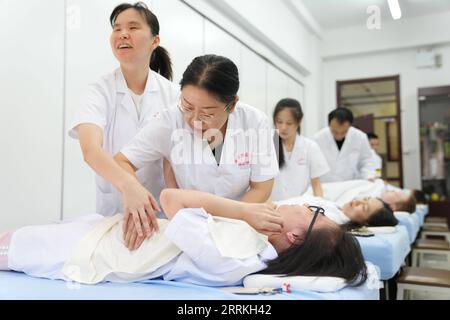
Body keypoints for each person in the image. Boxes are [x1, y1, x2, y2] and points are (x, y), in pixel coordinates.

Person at [0, 189, 367, 288]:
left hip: (102, 253)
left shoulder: (237, 258)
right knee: (15, 236)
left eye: (313, 212)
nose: (303, 204)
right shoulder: (253, 244)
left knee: (12, 245)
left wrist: (242, 211)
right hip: (112, 235)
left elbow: (172, 200)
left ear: (293, 235)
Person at [113, 54, 280, 249]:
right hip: (190, 226)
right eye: (188, 106)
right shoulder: (170, 121)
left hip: (240, 225)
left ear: (232, 104)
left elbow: (262, 187)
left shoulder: (255, 122)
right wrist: (131, 189)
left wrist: (229, 221)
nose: (195, 120)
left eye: (207, 113)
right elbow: (121, 161)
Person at [69, 2, 179, 218]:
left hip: (161, 213)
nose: (123, 34)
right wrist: (129, 185)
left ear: (155, 41)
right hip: (113, 211)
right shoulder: (99, 91)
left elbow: (173, 159)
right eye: (117, 28)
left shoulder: (173, 95)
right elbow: (91, 150)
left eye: (133, 27)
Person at [271, 98, 329, 201]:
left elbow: (316, 185)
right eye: (279, 122)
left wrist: (320, 207)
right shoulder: (267, 144)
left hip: (299, 207)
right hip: (272, 206)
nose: (283, 127)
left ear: (299, 121)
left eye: (289, 123)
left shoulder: (310, 147)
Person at [314, 108, 375, 183]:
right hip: (326, 185)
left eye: (344, 132)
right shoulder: (318, 139)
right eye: (335, 132)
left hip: (351, 184)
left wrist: (369, 175)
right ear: (329, 125)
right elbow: (312, 165)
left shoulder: (360, 137)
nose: (339, 136)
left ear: (350, 126)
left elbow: (366, 160)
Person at [274, 194, 397, 227]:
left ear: (365, 223)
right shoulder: (337, 208)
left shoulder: (332, 219)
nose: (359, 201)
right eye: (365, 199)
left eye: (364, 207)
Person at [306, 179, 417, 213]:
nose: (394, 191)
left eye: (397, 195)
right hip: (319, 190)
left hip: (318, 196)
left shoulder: (372, 207)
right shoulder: (378, 186)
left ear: (393, 207)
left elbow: (342, 205)